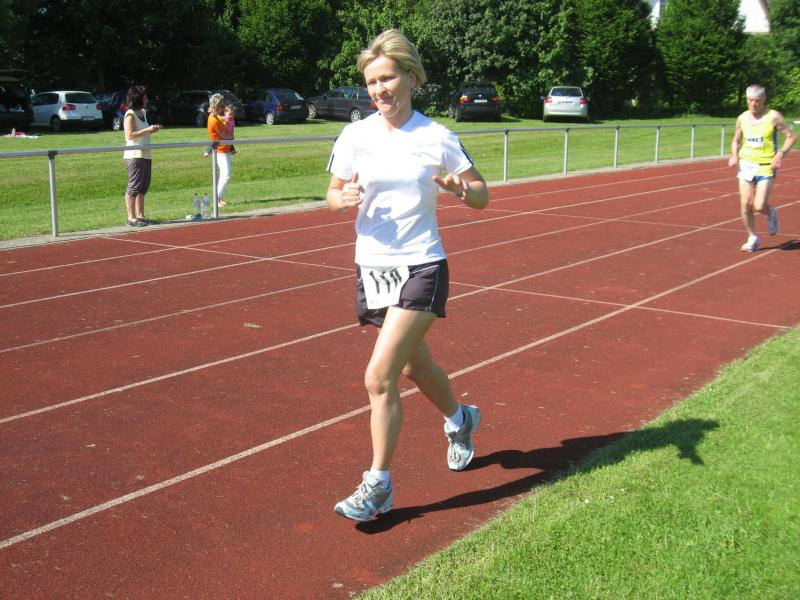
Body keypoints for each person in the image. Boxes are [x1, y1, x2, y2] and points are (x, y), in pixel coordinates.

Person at [326, 29, 490, 522]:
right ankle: (461, 419)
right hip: (373, 269)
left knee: (379, 376)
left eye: (387, 78)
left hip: (422, 265)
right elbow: (331, 195)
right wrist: (342, 199)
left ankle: (378, 485)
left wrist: (461, 189)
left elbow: (482, 194)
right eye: (371, 82)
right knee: (415, 368)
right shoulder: (355, 136)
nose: (378, 89)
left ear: (412, 78)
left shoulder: (436, 136)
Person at [728, 83, 796, 252]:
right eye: (750, 100)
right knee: (745, 203)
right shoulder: (742, 118)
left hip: (766, 166)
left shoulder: (773, 116)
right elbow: (736, 139)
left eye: (757, 100)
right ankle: (752, 238)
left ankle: (771, 213)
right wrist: (735, 156)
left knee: (758, 205)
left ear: (764, 99)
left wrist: (780, 154)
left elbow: (791, 136)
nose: (753, 104)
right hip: (746, 165)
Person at [122, 85, 161, 226]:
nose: (147, 99)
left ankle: (140, 215)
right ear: (138, 98)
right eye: (145, 97)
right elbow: (130, 135)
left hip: (146, 154)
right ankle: (131, 217)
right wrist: (148, 130)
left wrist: (152, 129)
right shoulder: (130, 114)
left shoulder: (142, 113)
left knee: (143, 186)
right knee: (134, 186)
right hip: (134, 155)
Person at [206, 93, 233, 208]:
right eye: (221, 106)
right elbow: (224, 136)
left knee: (223, 175)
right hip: (220, 150)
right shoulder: (213, 119)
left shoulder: (217, 116)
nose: (223, 108)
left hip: (225, 149)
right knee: (226, 175)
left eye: (223, 105)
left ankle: (219, 198)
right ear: (216, 106)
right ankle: (216, 198)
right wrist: (232, 136)